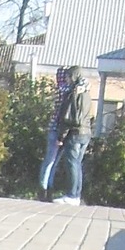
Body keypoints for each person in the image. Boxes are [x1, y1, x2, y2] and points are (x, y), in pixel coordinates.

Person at [53, 67, 94, 207]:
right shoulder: (86, 92)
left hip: (75, 132)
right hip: (86, 132)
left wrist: (60, 137)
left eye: (68, 76)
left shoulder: (73, 93)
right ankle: (76, 195)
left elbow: (68, 118)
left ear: (73, 76)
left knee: (72, 164)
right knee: (77, 164)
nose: (66, 79)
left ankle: (71, 195)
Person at [38, 66, 71, 196]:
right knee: (51, 161)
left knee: (52, 161)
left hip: (55, 128)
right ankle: (44, 188)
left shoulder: (60, 90)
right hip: (57, 129)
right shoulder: (64, 90)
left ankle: (47, 187)